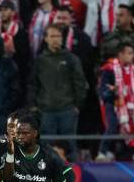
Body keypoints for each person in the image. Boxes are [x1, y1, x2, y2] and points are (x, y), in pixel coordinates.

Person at [27, 24, 88, 159]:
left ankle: (73, 177)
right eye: (52, 36)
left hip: (67, 110)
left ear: (62, 38)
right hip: (46, 111)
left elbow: (80, 83)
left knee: (70, 146)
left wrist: (77, 105)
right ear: (46, 39)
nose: (55, 39)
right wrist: (33, 106)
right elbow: (33, 84)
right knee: (46, 148)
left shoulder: (71, 59)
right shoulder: (40, 61)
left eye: (58, 36)